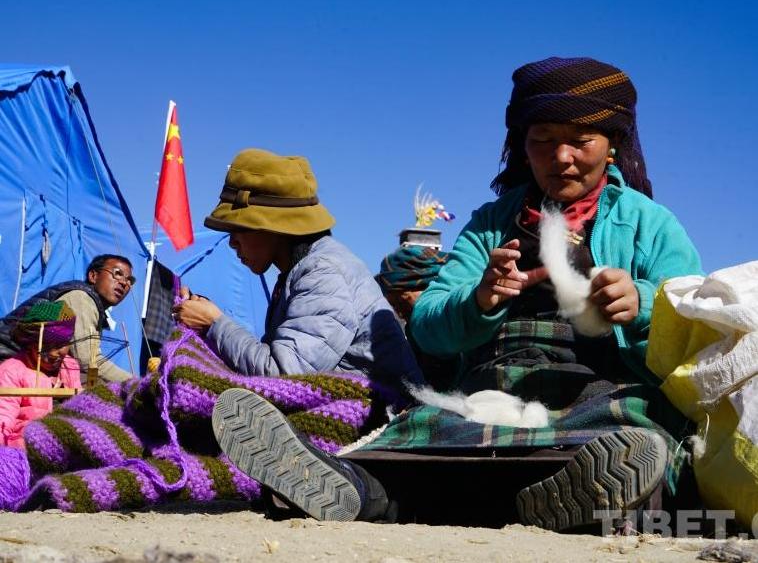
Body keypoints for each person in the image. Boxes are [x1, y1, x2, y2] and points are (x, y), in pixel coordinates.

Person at [212, 57, 703, 531]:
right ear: (521, 145)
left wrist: (641, 305)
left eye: (581, 141)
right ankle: (354, 485)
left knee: (629, 433)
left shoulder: (649, 225)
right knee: (429, 431)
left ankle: (581, 489)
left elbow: (696, 334)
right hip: (493, 391)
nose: (561, 157)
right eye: (543, 141)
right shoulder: (490, 224)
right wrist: (480, 300)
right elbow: (427, 326)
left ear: (613, 144)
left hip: (598, 389)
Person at [173, 148, 422, 394]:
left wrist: (214, 324)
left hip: (387, 420)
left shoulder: (324, 272)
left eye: (239, 228)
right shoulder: (297, 273)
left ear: (274, 227)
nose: (232, 242)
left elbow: (284, 377)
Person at [0, 254, 136, 383]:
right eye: (117, 273)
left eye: (129, 280)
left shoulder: (93, 305)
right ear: (93, 276)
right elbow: (88, 361)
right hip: (9, 365)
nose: (124, 283)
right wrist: (136, 383)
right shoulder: (81, 298)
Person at [375, 245, 458, 390]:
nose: (399, 313)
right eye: (393, 306)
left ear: (431, 289)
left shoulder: (462, 322)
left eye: (402, 302)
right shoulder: (414, 332)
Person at [0, 300, 81, 448]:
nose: (55, 353)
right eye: (47, 345)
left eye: (62, 344)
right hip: (25, 449)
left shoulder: (69, 366)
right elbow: (2, 423)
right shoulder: (11, 371)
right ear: (31, 343)